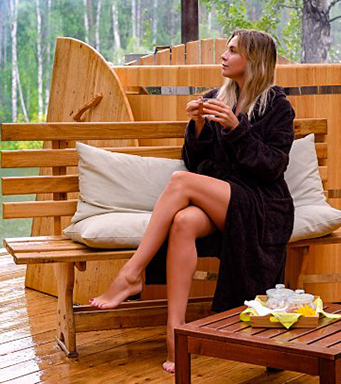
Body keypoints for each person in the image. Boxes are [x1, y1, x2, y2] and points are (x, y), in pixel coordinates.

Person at [89, 29, 295, 374]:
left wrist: (236, 128)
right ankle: (176, 335)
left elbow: (273, 166)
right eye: (226, 49)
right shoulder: (216, 98)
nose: (224, 56)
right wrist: (198, 125)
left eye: (233, 51)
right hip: (225, 197)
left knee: (179, 182)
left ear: (254, 60)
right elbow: (197, 163)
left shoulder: (277, 106)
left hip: (262, 204)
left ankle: (131, 273)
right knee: (183, 222)